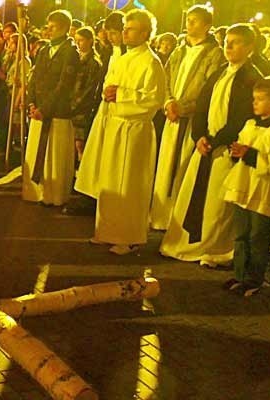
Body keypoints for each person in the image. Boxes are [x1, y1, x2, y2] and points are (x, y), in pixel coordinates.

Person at [160, 24, 263, 266]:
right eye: (227, 41)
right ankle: (186, 242)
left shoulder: (251, 78)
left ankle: (214, 247)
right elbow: (202, 106)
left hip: (226, 148)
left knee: (216, 205)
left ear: (249, 48)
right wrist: (199, 136)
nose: (228, 46)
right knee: (193, 196)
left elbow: (243, 114)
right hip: (206, 144)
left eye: (235, 42)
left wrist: (218, 140)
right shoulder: (219, 72)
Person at [86, 9, 166, 255]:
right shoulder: (122, 57)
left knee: (130, 184)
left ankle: (129, 236)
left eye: (130, 28)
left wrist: (120, 94)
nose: (125, 32)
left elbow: (154, 99)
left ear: (144, 33)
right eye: (125, 27)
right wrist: (109, 93)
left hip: (134, 129)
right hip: (115, 124)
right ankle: (106, 230)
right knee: (110, 179)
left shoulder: (151, 62)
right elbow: (109, 84)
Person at [150, 5, 224, 230]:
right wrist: (168, 101)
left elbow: (207, 88)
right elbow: (167, 77)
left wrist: (184, 108)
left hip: (190, 118)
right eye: (188, 20)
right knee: (165, 166)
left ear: (207, 25)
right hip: (172, 115)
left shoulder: (214, 53)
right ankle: (160, 215)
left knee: (181, 167)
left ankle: (177, 217)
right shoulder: (179, 50)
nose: (188, 24)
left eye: (194, 21)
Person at [221, 76, 270, 296]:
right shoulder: (250, 125)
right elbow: (243, 146)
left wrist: (250, 154)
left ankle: (254, 279)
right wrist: (236, 152)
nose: (255, 103)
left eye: (260, 99)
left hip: (262, 191)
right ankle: (240, 274)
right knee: (241, 233)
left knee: (257, 236)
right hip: (243, 186)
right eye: (254, 99)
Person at [70, 11, 126, 216]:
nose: (110, 37)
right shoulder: (113, 53)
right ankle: (89, 195)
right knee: (94, 155)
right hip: (103, 109)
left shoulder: (126, 55)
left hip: (117, 113)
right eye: (108, 33)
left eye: (114, 33)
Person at [22, 9, 79, 207]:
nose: (49, 30)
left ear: (64, 28)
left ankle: (54, 195)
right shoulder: (45, 49)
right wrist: (31, 103)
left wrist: (45, 108)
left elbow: (64, 84)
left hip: (57, 112)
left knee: (54, 156)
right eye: (49, 26)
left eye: (53, 27)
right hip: (38, 111)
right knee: (38, 152)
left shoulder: (71, 52)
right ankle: (37, 192)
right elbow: (34, 77)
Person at [71, 26, 102, 164]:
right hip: (70, 105)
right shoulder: (75, 58)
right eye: (76, 40)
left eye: (81, 40)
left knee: (80, 142)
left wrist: (76, 103)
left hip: (82, 107)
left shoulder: (93, 62)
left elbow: (90, 88)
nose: (78, 43)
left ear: (90, 41)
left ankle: (82, 167)